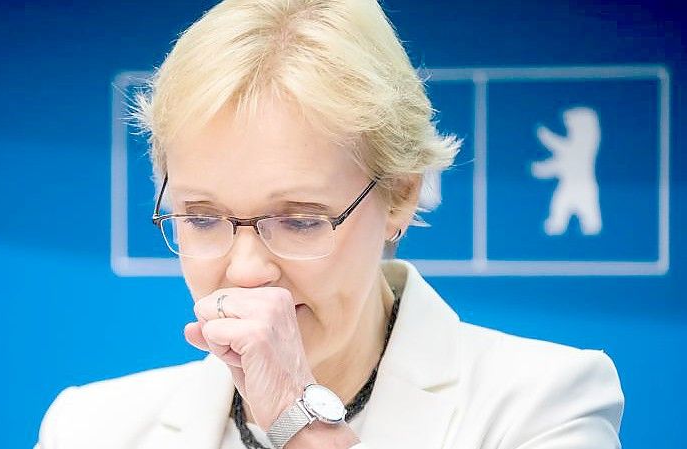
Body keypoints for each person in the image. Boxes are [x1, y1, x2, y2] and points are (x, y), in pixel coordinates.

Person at [34, 1, 624, 448]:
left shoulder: (544, 404)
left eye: (298, 220)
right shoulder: (92, 427)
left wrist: (298, 423)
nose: (245, 271)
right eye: (203, 218)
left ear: (399, 194)